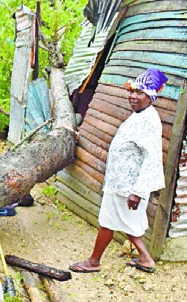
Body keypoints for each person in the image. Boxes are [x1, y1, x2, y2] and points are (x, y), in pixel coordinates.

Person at [69, 68, 168, 274]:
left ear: (150, 97)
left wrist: (138, 192)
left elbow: (151, 158)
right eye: (131, 91)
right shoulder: (140, 115)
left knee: (108, 221)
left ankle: (94, 262)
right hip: (122, 182)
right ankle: (145, 259)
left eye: (139, 93)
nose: (132, 96)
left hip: (128, 186)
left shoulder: (148, 120)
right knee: (126, 222)